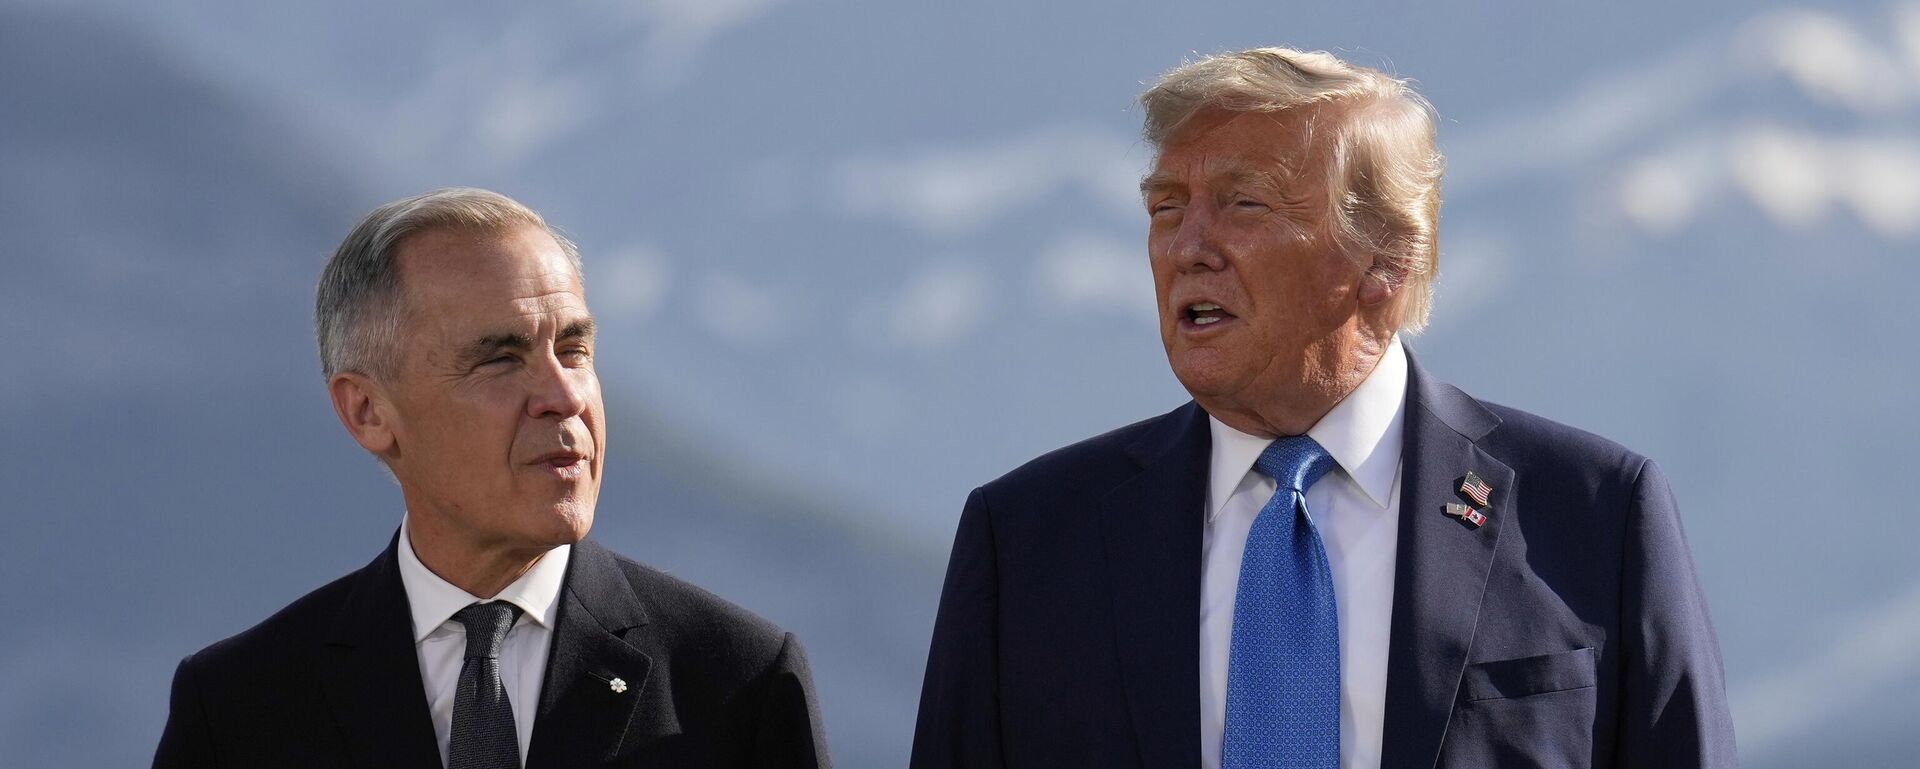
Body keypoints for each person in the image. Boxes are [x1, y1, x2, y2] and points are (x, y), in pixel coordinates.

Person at [911, 48, 1736, 769]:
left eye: (1244, 203)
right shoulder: (1026, 542)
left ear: (1385, 261)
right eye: (1166, 207)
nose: (1187, 246)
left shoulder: (1595, 517)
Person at [153, 188, 830, 769]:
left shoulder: (740, 682)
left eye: (574, 349)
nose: (564, 396)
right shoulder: (240, 707)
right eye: (501, 359)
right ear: (368, 411)